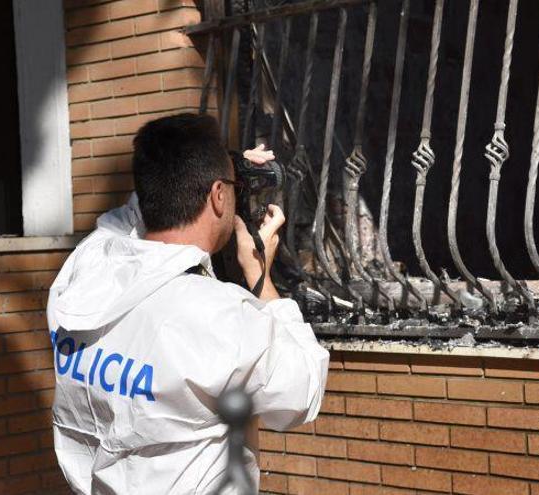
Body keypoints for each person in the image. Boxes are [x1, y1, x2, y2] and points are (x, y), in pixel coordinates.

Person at [46, 113, 329, 494]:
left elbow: (140, 205)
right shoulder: (221, 315)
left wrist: (223, 167)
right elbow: (303, 392)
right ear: (217, 196)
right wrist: (260, 277)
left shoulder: (85, 268)